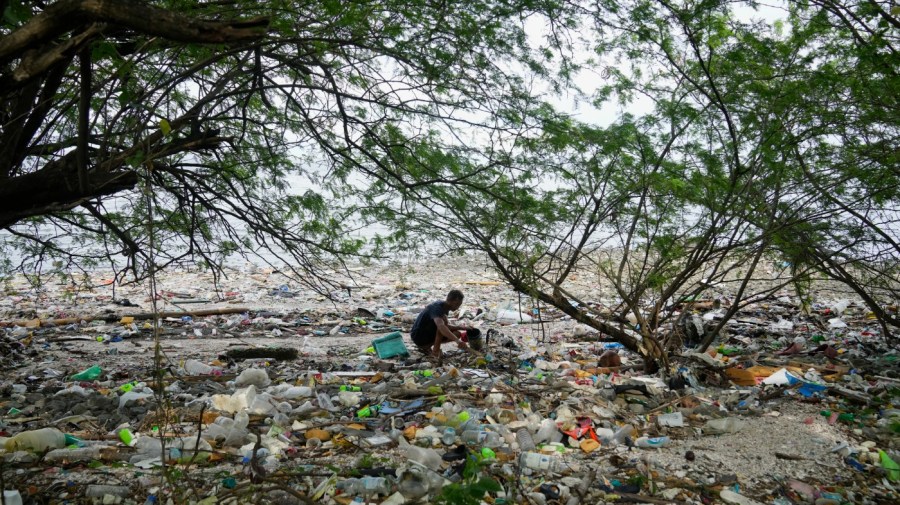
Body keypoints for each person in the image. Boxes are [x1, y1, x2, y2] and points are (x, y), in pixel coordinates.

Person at [410, 289, 471, 357]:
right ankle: (435, 351)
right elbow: (441, 326)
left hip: (426, 333)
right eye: (457, 304)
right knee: (443, 325)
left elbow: (446, 326)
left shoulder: (445, 307)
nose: (458, 307)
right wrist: (458, 341)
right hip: (419, 336)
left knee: (457, 333)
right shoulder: (437, 308)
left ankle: (427, 347)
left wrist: (462, 327)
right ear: (449, 300)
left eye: (459, 305)